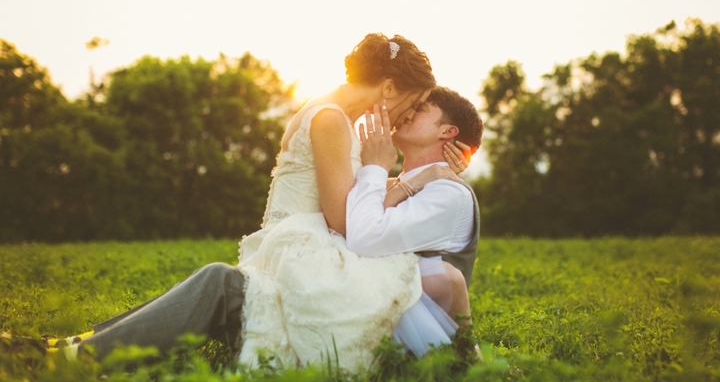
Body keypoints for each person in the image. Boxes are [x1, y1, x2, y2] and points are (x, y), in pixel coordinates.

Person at [44, 34, 468, 369]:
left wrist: (415, 175)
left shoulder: (330, 112)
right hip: (304, 255)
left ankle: (74, 347)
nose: (404, 119)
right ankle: (75, 354)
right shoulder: (332, 120)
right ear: (389, 86)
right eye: (410, 106)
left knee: (217, 282)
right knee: (216, 281)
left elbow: (353, 203)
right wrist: (386, 169)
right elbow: (343, 219)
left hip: (299, 250)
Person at [347, 86, 483, 357]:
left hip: (410, 344)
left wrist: (376, 168)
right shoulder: (402, 183)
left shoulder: (449, 193)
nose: (407, 113)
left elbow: (363, 237)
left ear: (447, 131)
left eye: (419, 109)